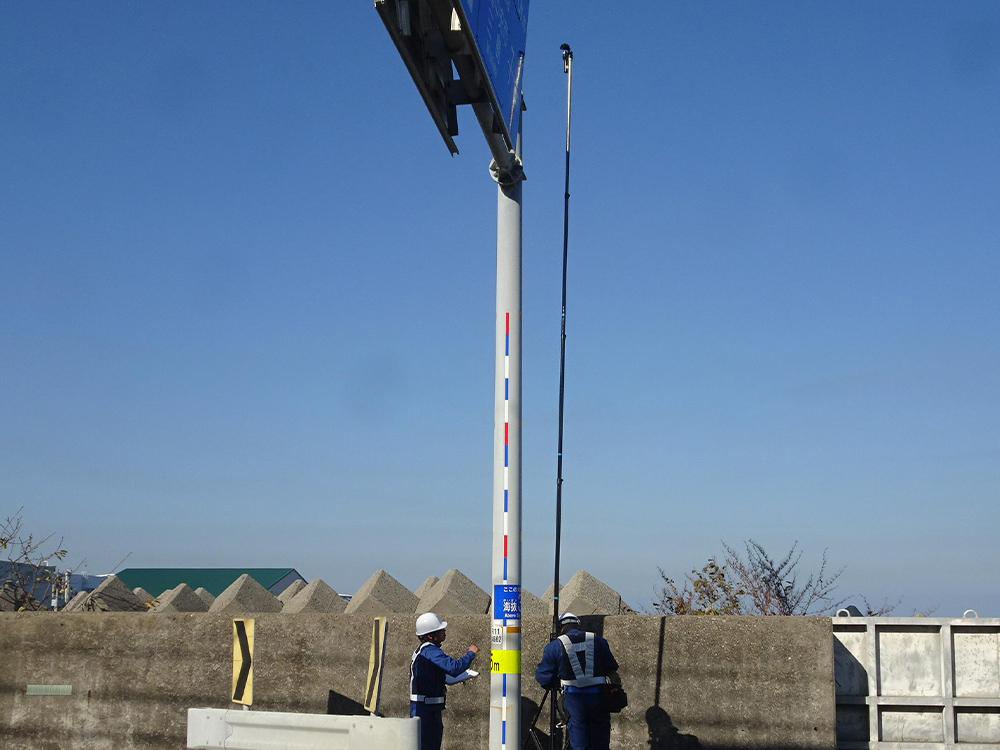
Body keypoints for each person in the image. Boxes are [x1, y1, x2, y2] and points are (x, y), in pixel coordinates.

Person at [535, 612, 620, 750]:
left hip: (574, 698)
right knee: (601, 742)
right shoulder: (598, 640)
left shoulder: (554, 646)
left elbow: (543, 677)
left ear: (560, 627)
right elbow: (612, 667)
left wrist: (556, 682)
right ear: (578, 625)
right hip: (599, 697)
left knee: (580, 743)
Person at [410, 612, 480, 750]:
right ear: (430, 636)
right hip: (425, 711)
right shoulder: (430, 652)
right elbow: (454, 668)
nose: (444, 632)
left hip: (429, 708)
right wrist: (471, 653)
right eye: (440, 630)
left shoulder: (426, 651)